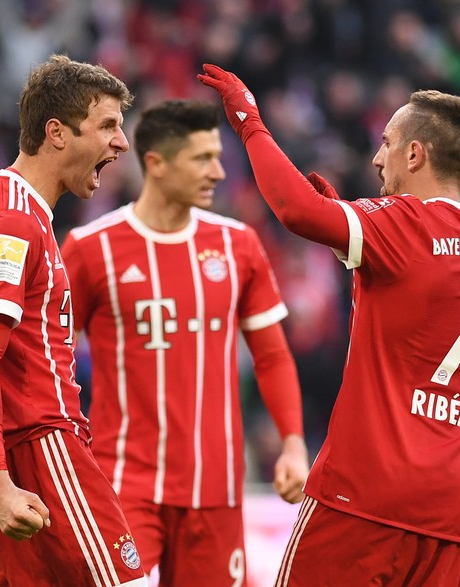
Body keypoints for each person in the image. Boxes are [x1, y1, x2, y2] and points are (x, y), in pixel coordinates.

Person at [199, 64, 460, 586]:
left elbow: (295, 211)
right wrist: (346, 229)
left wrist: (249, 123)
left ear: (415, 154)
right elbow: (413, 314)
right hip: (449, 510)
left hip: (365, 493)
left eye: (387, 143)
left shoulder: (403, 224)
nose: (376, 157)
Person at [60, 99, 309, 586]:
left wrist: (294, 444)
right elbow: (50, 358)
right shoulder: (91, 249)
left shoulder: (239, 245)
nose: (217, 172)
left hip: (217, 489)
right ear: (155, 163)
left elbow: (272, 354)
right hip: (123, 486)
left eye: (217, 156)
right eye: (201, 159)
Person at [0, 54, 147, 587]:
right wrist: (1, 480)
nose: (121, 144)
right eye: (107, 126)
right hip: (33, 453)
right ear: (56, 132)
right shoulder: (12, 222)